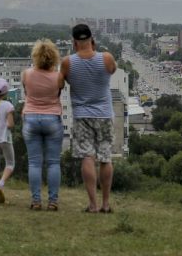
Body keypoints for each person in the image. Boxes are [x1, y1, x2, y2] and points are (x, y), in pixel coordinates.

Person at [60, 24, 117, 213]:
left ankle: (92, 204)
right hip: (105, 114)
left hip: (81, 115)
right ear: (92, 39)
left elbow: (63, 81)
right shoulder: (106, 58)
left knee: (87, 157)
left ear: (74, 42)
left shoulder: (68, 62)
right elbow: (112, 70)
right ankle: (106, 204)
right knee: (105, 157)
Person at [21, 39, 65, 211]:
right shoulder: (58, 77)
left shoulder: (27, 74)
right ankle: (53, 201)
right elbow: (58, 93)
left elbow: (26, 92)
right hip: (52, 119)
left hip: (31, 118)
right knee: (53, 163)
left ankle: (36, 201)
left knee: (34, 163)